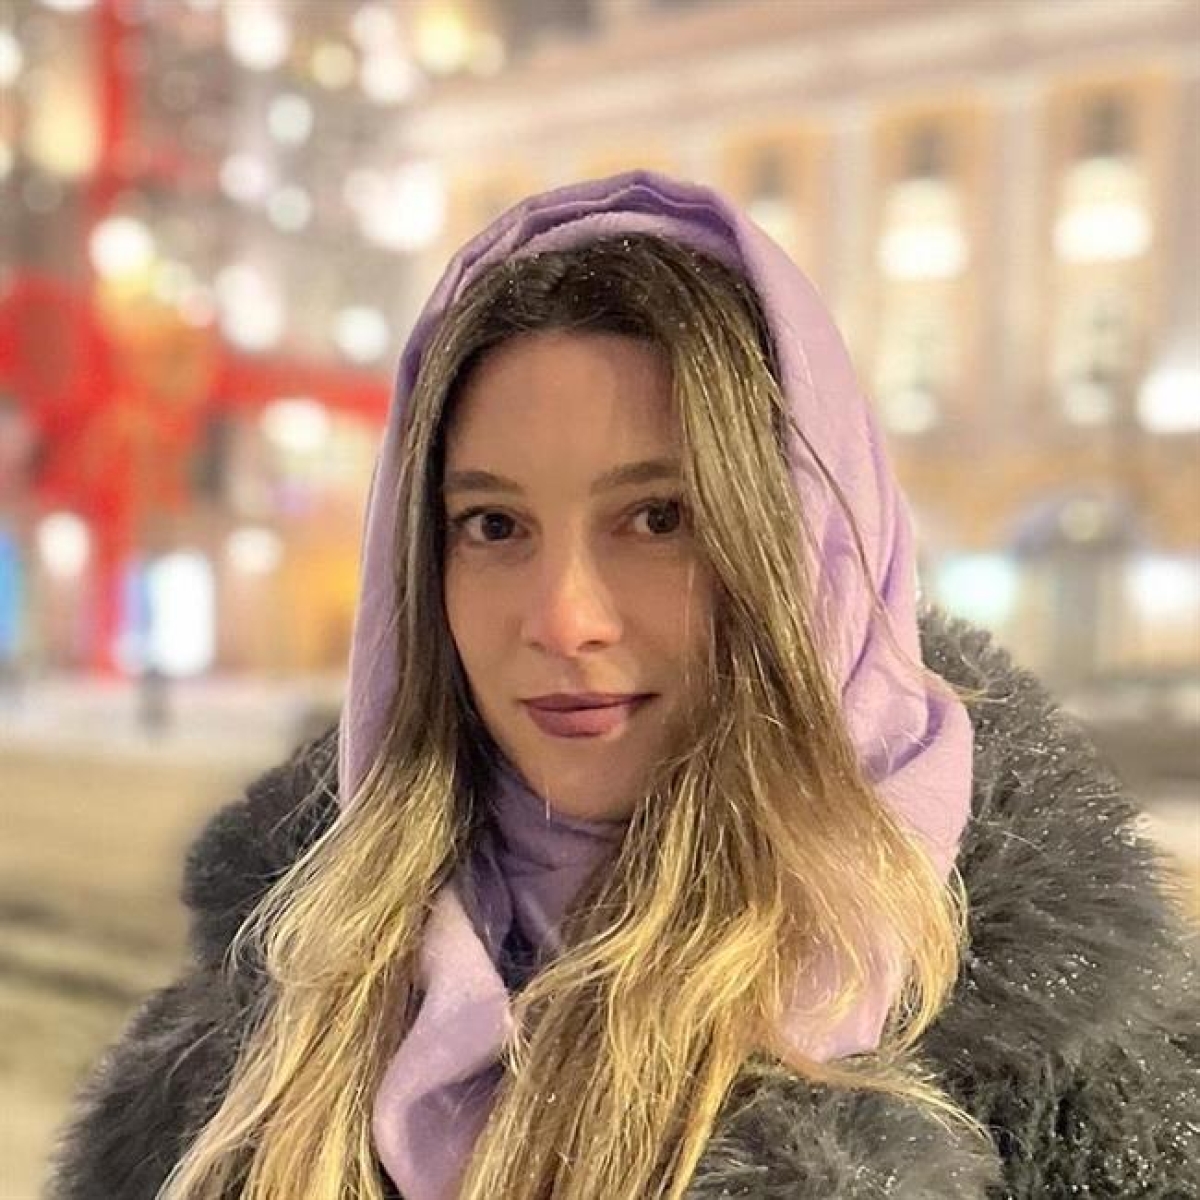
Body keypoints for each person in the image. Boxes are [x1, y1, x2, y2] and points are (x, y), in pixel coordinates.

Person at [49, 172, 1197, 1200]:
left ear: (804, 556)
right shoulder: (265, 1028)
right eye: (493, 525)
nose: (564, 620)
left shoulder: (1078, 1077)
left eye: (658, 518)